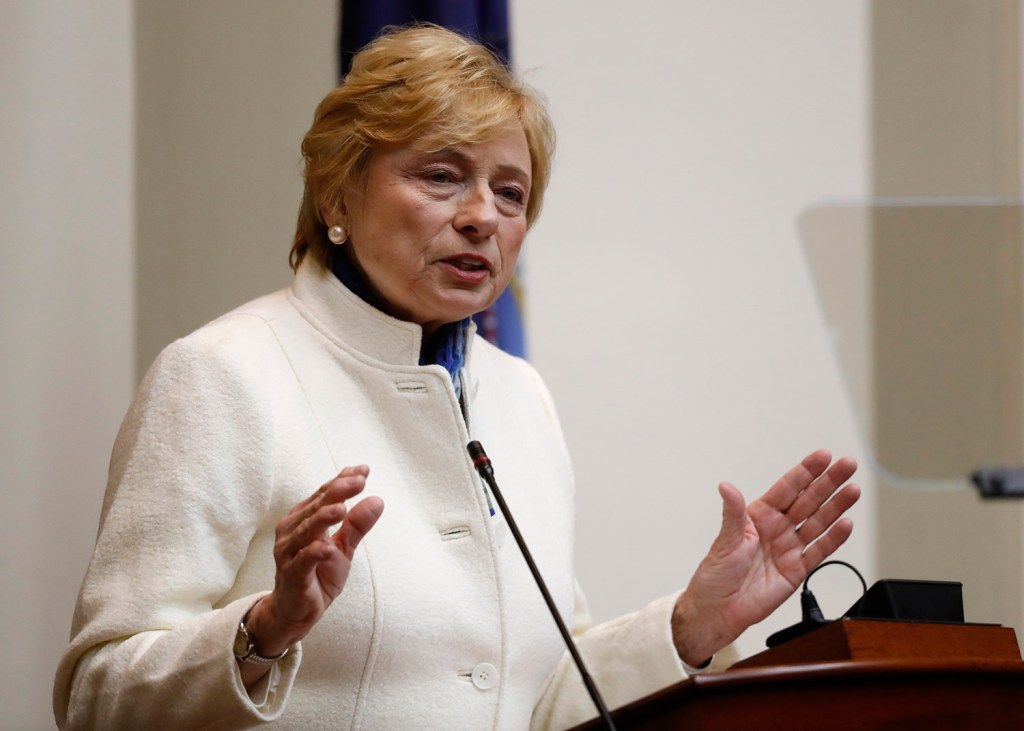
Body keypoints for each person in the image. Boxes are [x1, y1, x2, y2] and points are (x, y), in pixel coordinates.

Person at [53, 24, 860, 730]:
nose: (483, 215)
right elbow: (96, 697)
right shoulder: (223, 375)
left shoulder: (519, 396)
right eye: (442, 175)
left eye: (511, 192)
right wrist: (264, 627)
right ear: (339, 191)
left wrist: (688, 625)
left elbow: (540, 701)